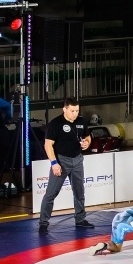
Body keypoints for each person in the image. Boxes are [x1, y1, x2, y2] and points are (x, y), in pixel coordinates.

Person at [38, 97, 94, 234]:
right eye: (72, 111)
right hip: (61, 161)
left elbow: (88, 137)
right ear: (65, 109)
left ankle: (80, 219)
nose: (75, 113)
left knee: (79, 192)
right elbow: (48, 145)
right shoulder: (55, 124)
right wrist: (54, 163)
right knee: (51, 193)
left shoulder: (81, 121)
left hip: (77, 160)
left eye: (77, 110)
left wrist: (87, 143)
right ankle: (43, 223)